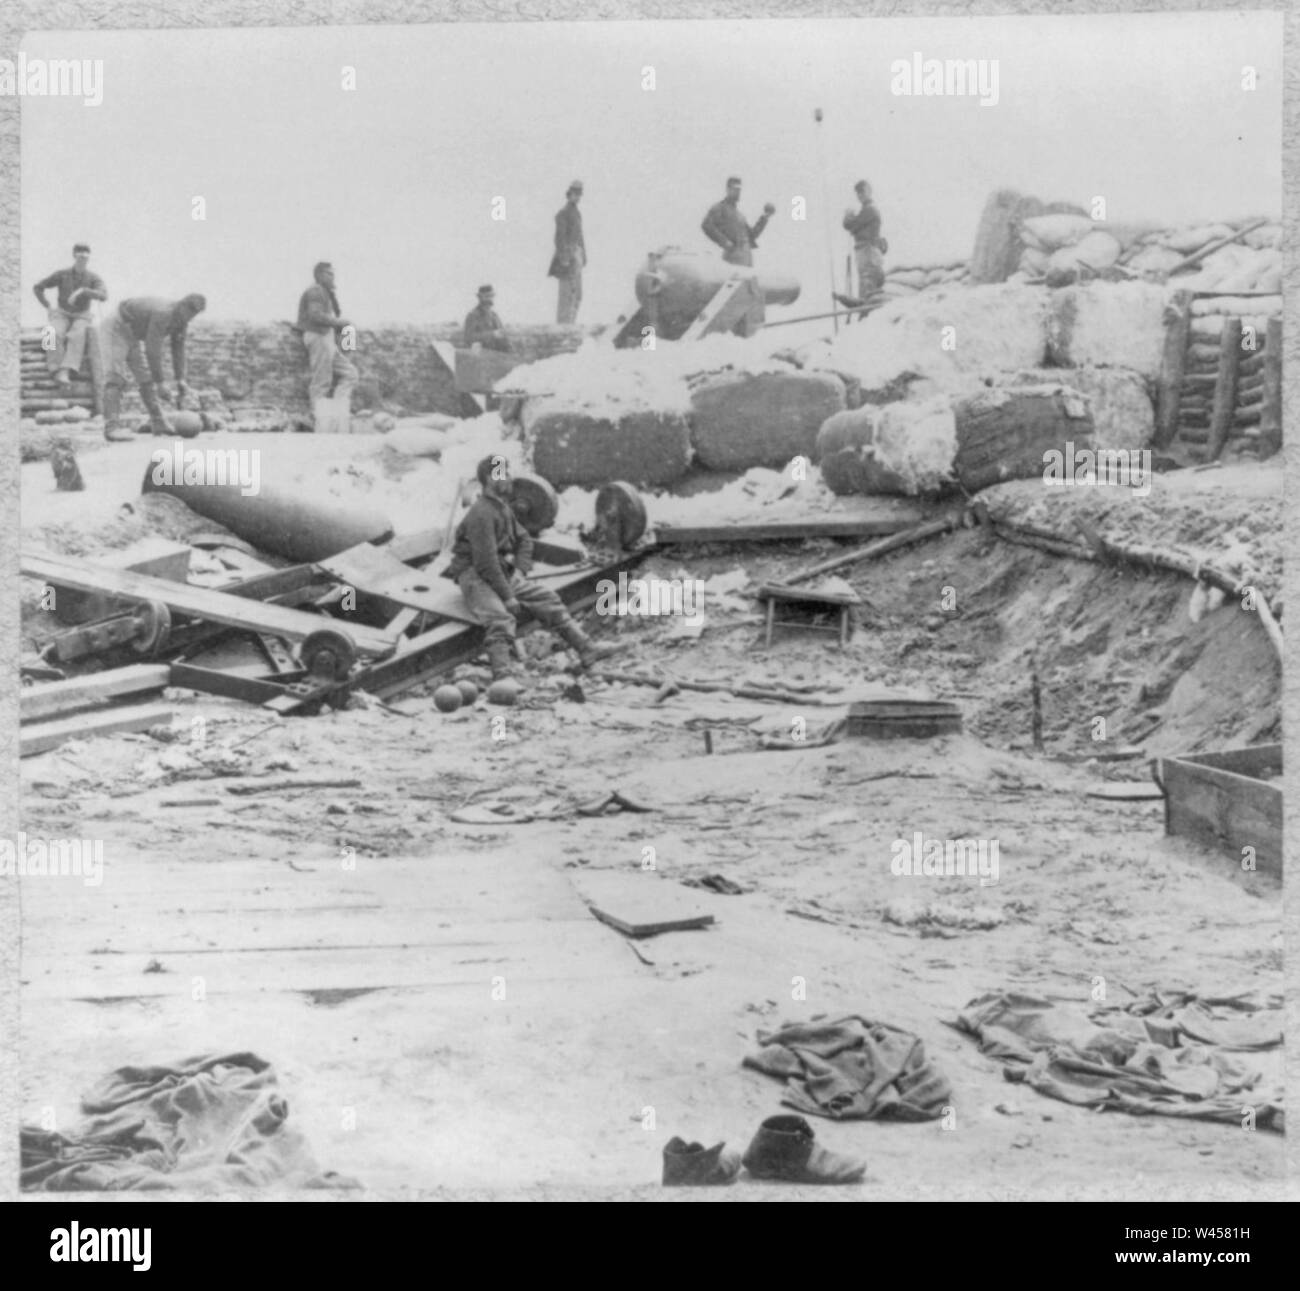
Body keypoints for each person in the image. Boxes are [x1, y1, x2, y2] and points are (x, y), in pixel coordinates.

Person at [445, 455, 620, 680]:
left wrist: (519, 571)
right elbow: (485, 563)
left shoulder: (501, 508)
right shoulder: (481, 514)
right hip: (474, 575)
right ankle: (503, 676)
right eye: (504, 474)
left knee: (547, 598)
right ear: (491, 479)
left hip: (499, 571)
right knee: (500, 618)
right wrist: (508, 596)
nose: (510, 479)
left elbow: (525, 540)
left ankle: (587, 649)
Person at [100, 294, 206, 442]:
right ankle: (112, 428)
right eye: (189, 312)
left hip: (133, 334)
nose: (189, 317)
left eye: (194, 315)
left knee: (145, 378)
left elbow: (178, 348)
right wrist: (161, 383)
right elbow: (152, 349)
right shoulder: (164, 313)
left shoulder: (182, 321)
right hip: (117, 327)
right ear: (181, 305)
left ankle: (158, 422)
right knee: (115, 377)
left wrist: (180, 379)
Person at [33, 244, 107, 387]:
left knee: (77, 335)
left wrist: (83, 291)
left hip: (82, 315)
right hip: (61, 313)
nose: (83, 260)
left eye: (86, 258)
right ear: (74, 256)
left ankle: (66, 370)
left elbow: (104, 295)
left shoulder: (93, 278)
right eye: (80, 257)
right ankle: (54, 369)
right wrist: (48, 306)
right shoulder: (62, 274)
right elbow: (38, 287)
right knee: (51, 332)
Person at [296, 262, 358, 431]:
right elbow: (316, 316)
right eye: (329, 274)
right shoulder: (316, 291)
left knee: (351, 373)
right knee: (321, 381)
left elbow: (327, 319)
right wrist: (341, 322)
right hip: (318, 336)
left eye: (333, 274)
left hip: (326, 337)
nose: (332, 277)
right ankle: (319, 419)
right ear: (320, 275)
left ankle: (338, 415)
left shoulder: (324, 293)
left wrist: (344, 328)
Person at [701, 177, 776, 267]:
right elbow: (707, 225)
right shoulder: (720, 207)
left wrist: (764, 218)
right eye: (735, 189)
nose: (738, 192)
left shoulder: (740, 215)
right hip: (733, 257)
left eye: (739, 190)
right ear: (728, 189)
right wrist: (724, 242)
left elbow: (752, 236)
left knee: (747, 279)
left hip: (746, 258)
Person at [548, 181, 587, 324]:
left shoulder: (577, 213)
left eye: (579, 195)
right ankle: (563, 326)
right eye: (575, 194)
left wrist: (583, 255)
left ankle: (570, 324)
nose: (577, 197)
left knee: (577, 295)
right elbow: (559, 238)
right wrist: (564, 259)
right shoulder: (562, 214)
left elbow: (579, 236)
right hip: (567, 258)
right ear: (569, 194)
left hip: (576, 257)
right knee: (566, 295)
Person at [843, 180, 888, 297]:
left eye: (862, 192)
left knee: (868, 282)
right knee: (865, 282)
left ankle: (866, 308)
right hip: (864, 252)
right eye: (858, 193)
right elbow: (853, 226)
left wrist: (848, 216)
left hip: (868, 252)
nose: (860, 195)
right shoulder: (865, 211)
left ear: (869, 192)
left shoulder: (870, 210)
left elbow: (850, 225)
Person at [463, 285, 511, 352]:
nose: (489, 299)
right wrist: (492, 334)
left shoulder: (495, 316)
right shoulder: (473, 315)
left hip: (497, 355)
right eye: (486, 296)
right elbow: (468, 337)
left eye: (491, 296)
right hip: (480, 355)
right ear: (480, 297)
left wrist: (510, 351)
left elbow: (503, 336)